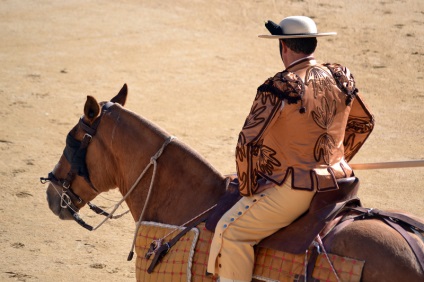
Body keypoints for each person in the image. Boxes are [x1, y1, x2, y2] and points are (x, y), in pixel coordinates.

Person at [207, 16, 374, 281]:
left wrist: (249, 188)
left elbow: (246, 143)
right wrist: (336, 157)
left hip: (297, 191)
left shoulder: (280, 85)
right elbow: (364, 123)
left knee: (232, 234)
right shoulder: (341, 76)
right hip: (343, 181)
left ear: (283, 46)